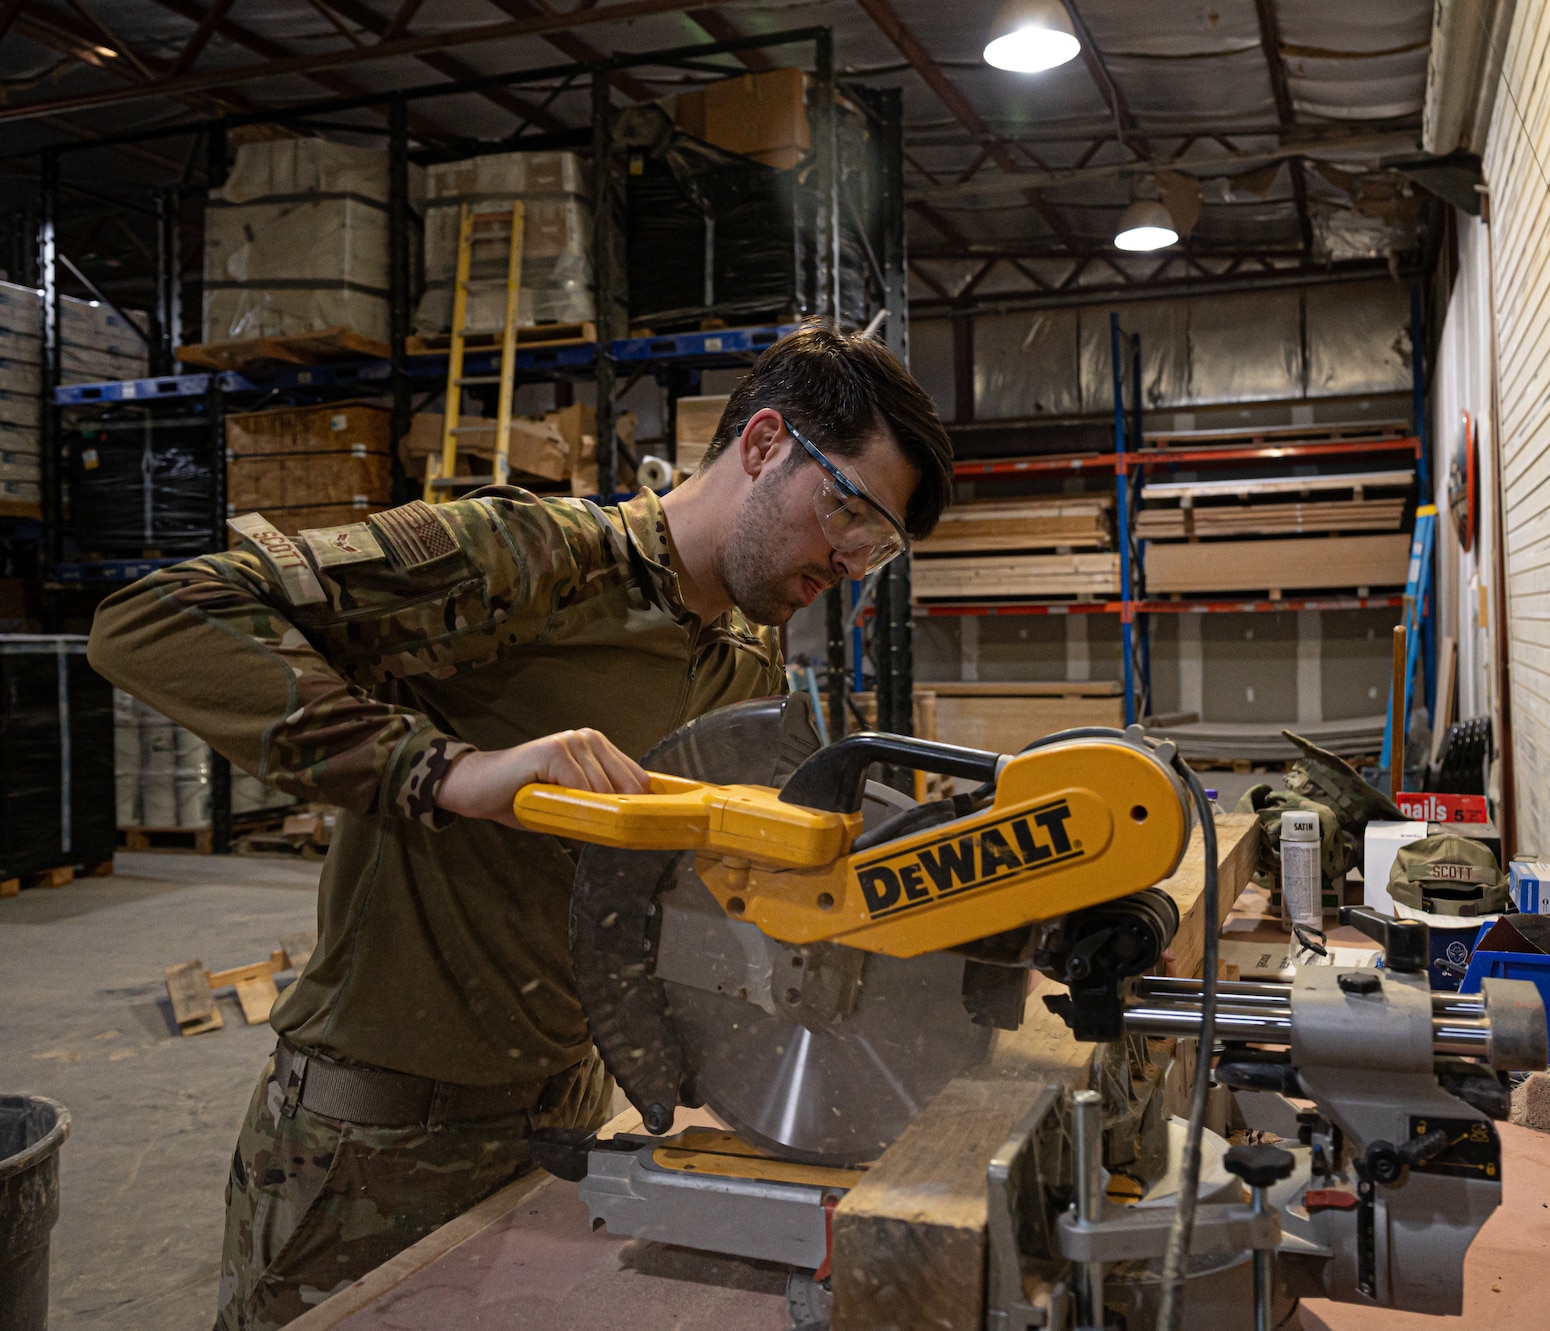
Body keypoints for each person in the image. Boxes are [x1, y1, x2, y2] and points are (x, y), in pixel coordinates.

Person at [85, 323, 953, 1331]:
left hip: (564, 1125)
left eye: (876, 545)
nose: (848, 560)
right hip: (372, 1147)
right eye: (845, 509)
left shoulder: (741, 667)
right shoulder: (537, 559)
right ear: (762, 445)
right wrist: (449, 769)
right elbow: (156, 614)